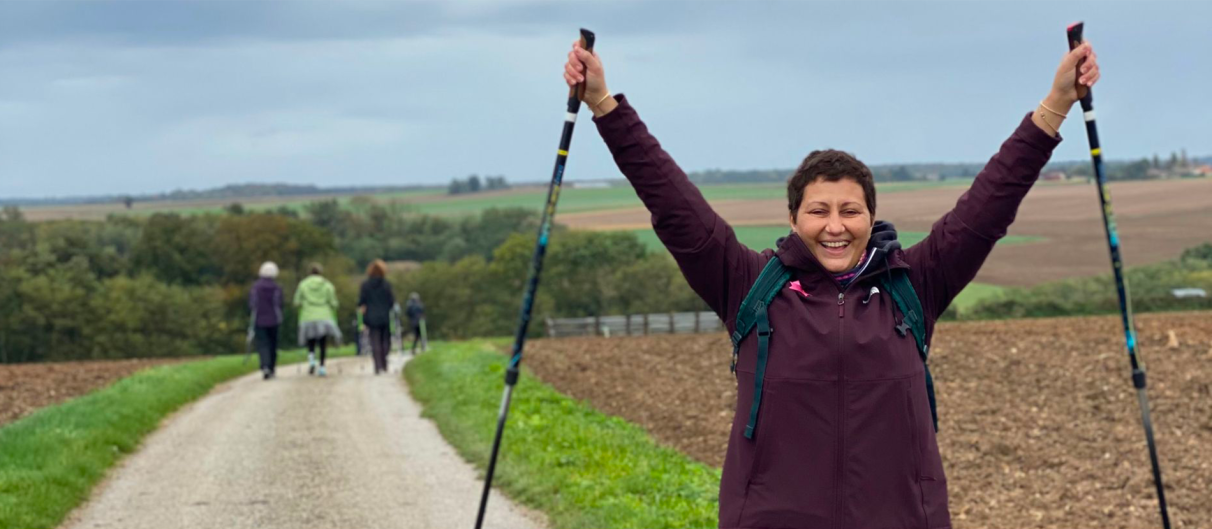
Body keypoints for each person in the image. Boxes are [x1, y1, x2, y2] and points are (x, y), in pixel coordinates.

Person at [563, 37, 1099, 528]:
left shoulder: (914, 285)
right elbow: (673, 204)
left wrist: (1055, 105)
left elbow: (987, 207)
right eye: (819, 210)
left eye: (851, 210)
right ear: (794, 218)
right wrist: (604, 103)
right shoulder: (750, 285)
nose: (835, 226)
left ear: (871, 218)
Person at [294, 263, 341, 377]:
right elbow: (333, 302)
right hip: (324, 317)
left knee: (310, 340)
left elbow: (296, 302)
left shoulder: (303, 285)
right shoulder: (327, 285)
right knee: (323, 342)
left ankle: (311, 359)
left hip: (307, 316)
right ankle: (322, 367)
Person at [358, 259, 396, 374]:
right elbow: (391, 301)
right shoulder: (386, 285)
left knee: (374, 341)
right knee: (386, 341)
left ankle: (377, 365)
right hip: (385, 316)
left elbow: (361, 302)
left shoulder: (365, 285)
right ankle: (384, 363)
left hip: (371, 317)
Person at [249, 261, 283, 380]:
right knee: (273, 344)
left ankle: (265, 366)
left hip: (259, 320)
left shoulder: (256, 287)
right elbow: (279, 303)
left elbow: (252, 304)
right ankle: (272, 368)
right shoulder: (276, 287)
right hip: (274, 320)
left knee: (262, 344)